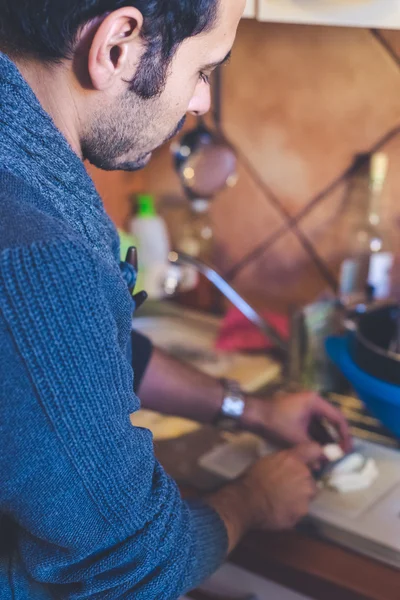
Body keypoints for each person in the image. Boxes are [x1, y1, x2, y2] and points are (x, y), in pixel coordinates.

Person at [0, 1, 350, 598]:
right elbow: (134, 564)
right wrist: (255, 499)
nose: (200, 103)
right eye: (206, 69)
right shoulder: (37, 252)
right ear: (118, 45)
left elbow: (70, 363)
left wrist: (250, 411)